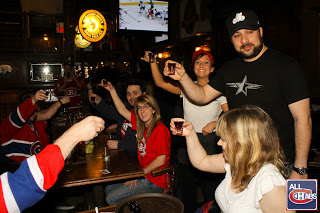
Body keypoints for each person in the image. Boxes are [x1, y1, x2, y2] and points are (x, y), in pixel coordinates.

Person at [164, 9, 311, 179]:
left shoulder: (287, 67)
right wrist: (182, 77)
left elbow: (303, 119)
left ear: (261, 32)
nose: (244, 40)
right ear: (231, 40)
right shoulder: (229, 69)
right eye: (237, 35)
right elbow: (202, 95)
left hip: (280, 164)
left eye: (249, 32)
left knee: (286, 207)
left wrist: (301, 168)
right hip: (240, 160)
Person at [142, 49, 228, 210]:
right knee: (185, 186)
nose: (201, 65)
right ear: (192, 67)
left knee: (211, 187)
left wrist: (216, 123)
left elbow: (230, 114)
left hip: (210, 140)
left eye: (206, 62)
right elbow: (160, 83)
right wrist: (153, 63)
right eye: (197, 62)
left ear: (212, 68)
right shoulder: (187, 88)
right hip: (188, 139)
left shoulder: (217, 90)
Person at [171, 105, 291, 213]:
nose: (219, 143)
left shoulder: (268, 181)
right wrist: (190, 134)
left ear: (242, 143)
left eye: (224, 139)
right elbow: (201, 161)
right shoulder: (237, 162)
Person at [0, 116, 105, 213]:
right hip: (16, 165)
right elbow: (16, 191)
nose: (36, 112)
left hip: (30, 163)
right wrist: (74, 134)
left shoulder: (34, 124)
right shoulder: (13, 124)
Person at [101, 81, 171, 205]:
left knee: (111, 198)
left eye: (146, 107)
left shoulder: (160, 129)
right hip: (144, 175)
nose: (142, 111)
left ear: (154, 109)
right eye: (139, 108)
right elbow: (122, 110)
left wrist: (140, 174)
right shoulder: (142, 126)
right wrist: (112, 90)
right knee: (108, 188)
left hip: (155, 180)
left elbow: (161, 160)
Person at [1, 89, 70, 162]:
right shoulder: (11, 123)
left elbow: (46, 115)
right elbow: (22, 112)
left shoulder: (33, 125)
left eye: (36, 110)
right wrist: (33, 99)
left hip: (29, 168)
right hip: (13, 169)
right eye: (32, 108)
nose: (36, 113)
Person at [88, 79, 147, 160]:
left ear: (144, 94)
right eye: (128, 94)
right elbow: (110, 112)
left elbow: (145, 146)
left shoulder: (147, 115)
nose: (131, 97)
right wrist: (99, 101)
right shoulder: (126, 106)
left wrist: (119, 144)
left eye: (135, 93)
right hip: (120, 154)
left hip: (135, 160)